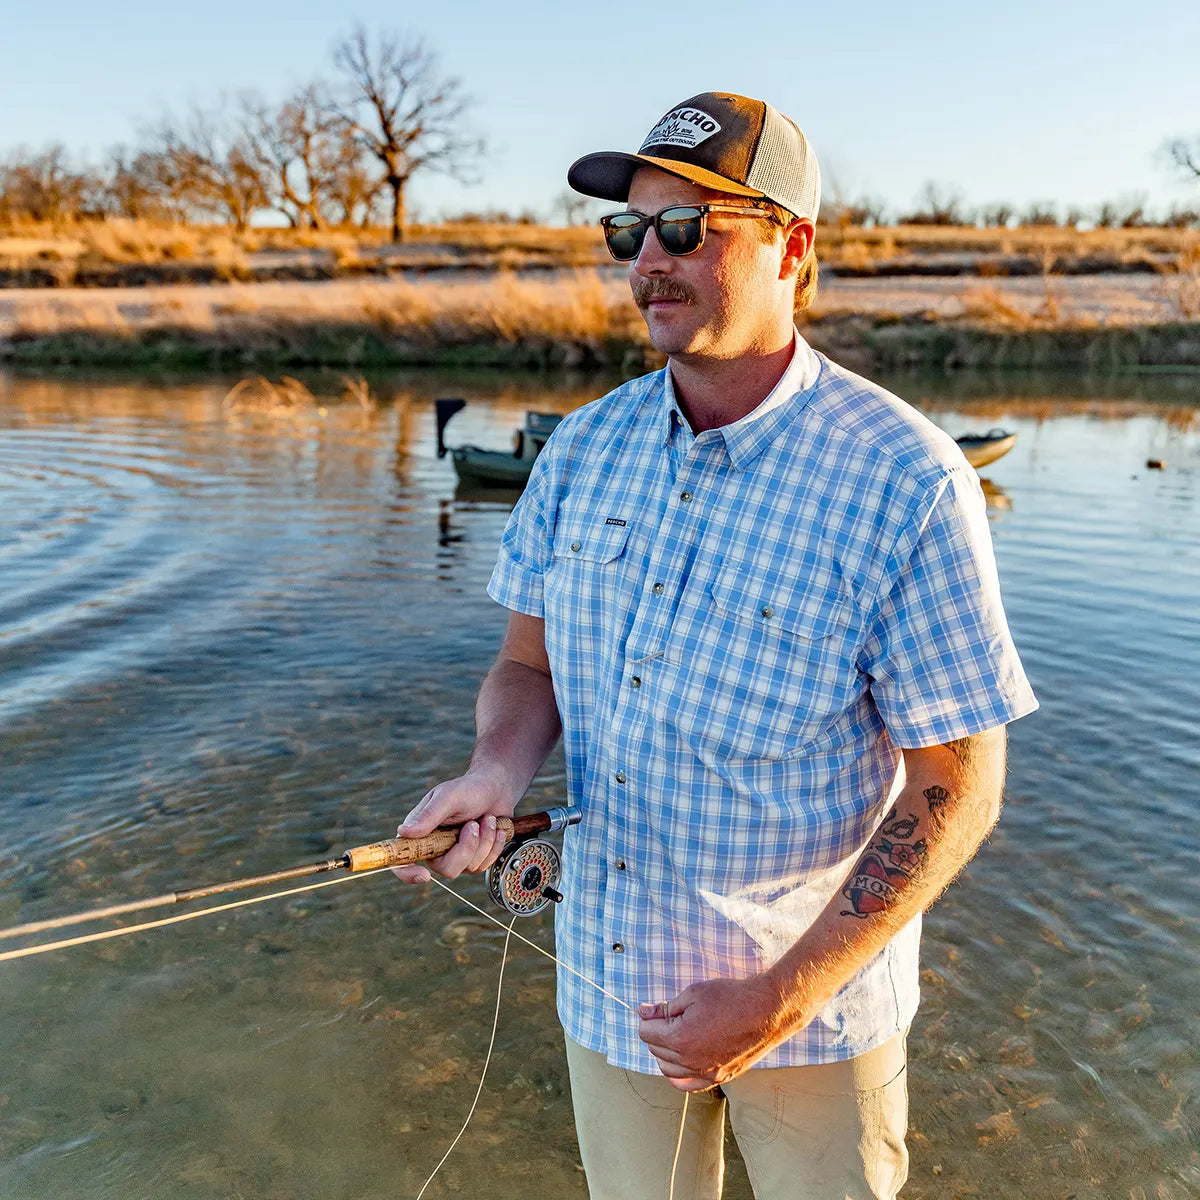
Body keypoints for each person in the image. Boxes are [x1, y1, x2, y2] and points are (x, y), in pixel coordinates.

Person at [394, 91, 1037, 1199]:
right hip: (607, 984)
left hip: (817, 1021)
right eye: (627, 232)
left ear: (793, 247)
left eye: (687, 227)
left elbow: (958, 784)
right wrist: (495, 771)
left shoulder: (909, 481)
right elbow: (528, 666)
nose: (650, 259)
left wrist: (781, 994)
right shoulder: (582, 451)